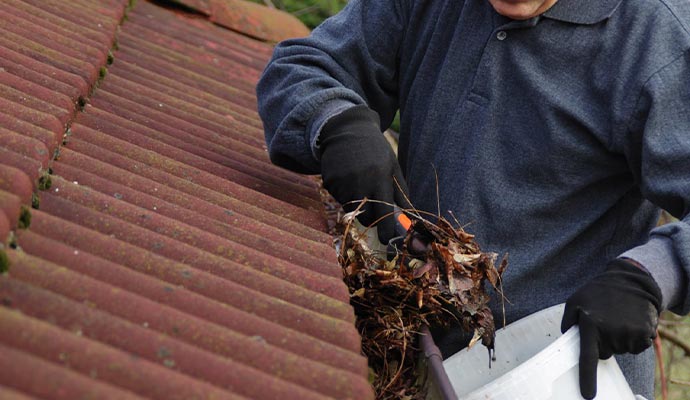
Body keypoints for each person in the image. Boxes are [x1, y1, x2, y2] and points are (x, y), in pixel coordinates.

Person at [256, 0, 690, 398]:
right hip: (411, 359)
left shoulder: (660, 37)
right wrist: (336, 122)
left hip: (564, 374)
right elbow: (302, 67)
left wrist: (651, 276)